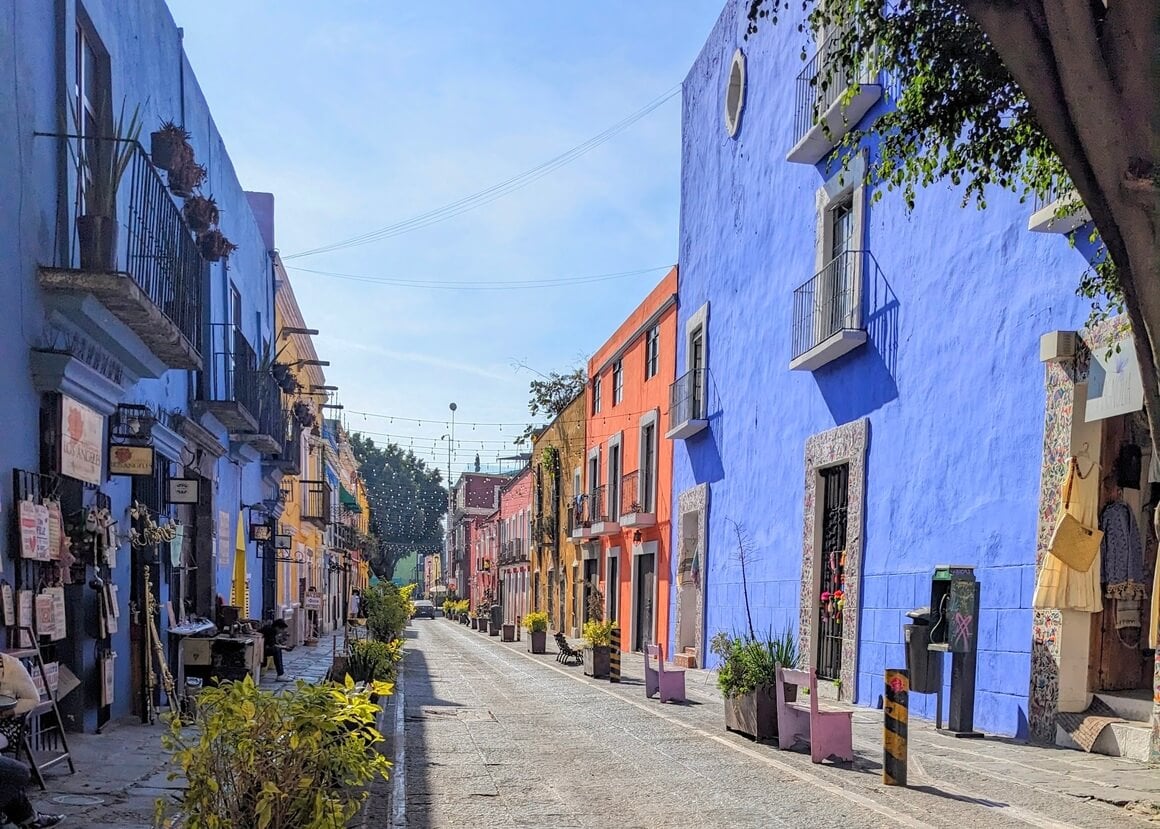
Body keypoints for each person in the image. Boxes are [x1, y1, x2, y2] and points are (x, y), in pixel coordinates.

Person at [0, 653, 64, 827]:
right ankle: (30, 819)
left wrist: (7, 712)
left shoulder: (11, 666)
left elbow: (32, 699)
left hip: (6, 724)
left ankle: (29, 819)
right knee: (11, 773)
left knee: (11, 772)